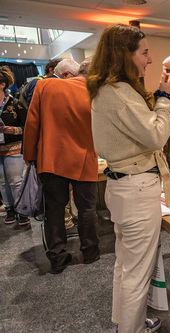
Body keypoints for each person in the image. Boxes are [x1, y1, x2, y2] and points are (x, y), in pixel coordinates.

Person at [86, 24, 170, 333]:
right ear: (125, 55)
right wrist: (166, 100)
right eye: (145, 52)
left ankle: (125, 322)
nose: (149, 59)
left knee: (125, 265)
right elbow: (155, 135)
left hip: (123, 186)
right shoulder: (119, 92)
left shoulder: (106, 90)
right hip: (136, 189)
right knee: (137, 271)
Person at [23, 59, 100, 274]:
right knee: (87, 209)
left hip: (52, 159)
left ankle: (57, 258)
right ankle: (91, 253)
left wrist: (29, 154)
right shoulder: (94, 92)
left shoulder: (44, 85)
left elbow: (32, 122)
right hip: (84, 158)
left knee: (54, 210)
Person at [0, 66, 29, 226]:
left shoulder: (16, 104)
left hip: (14, 148)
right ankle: (10, 209)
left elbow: (28, 127)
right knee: (2, 182)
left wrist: (11, 129)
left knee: (15, 181)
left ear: (2, 84)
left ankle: (22, 211)